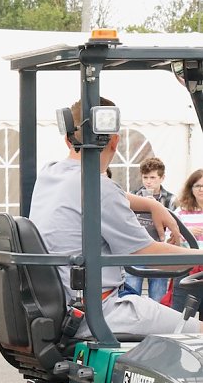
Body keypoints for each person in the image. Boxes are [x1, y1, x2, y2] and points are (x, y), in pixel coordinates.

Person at [29, 98, 202, 338]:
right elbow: (154, 258)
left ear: (68, 138)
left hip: (59, 306)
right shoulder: (98, 189)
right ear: (115, 141)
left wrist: (151, 203)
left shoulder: (50, 173)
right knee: (198, 331)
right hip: (99, 312)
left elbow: (108, 193)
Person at [125, 157, 177, 302]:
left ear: (162, 178)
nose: (148, 181)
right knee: (131, 294)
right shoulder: (133, 196)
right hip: (136, 250)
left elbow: (175, 224)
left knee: (158, 295)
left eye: (153, 177)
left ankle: (157, 324)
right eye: (145, 177)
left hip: (160, 251)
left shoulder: (171, 199)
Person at [170, 169, 203, 315]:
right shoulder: (180, 211)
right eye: (197, 186)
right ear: (191, 188)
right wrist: (188, 233)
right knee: (180, 311)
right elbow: (169, 238)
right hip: (187, 266)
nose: (201, 189)